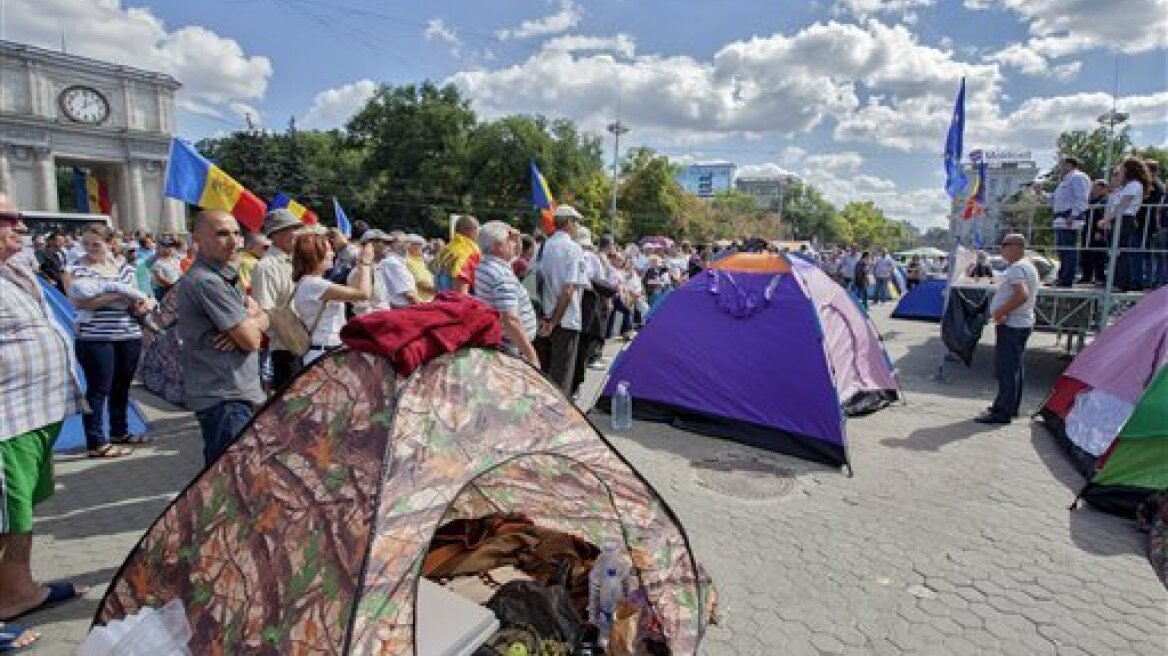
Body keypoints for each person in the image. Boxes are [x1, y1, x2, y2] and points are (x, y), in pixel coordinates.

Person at [0, 196, 87, 639]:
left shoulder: (14, 271)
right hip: (5, 421)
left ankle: (18, 592)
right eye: (6, 219)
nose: (19, 225)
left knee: (21, 515)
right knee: (3, 517)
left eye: (19, 217)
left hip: (33, 416)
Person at [176, 210, 270, 464]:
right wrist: (252, 322)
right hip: (225, 396)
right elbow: (252, 341)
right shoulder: (208, 282)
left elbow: (265, 317)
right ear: (197, 238)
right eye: (221, 234)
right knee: (229, 477)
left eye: (237, 233)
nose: (233, 241)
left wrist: (252, 320)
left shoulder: (225, 276)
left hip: (231, 393)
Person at [68, 226, 154, 457]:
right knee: (98, 389)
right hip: (95, 337)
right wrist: (119, 293)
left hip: (128, 334)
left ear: (109, 244)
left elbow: (137, 297)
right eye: (85, 244)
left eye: (96, 244)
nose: (90, 249)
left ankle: (120, 431)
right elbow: (80, 302)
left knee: (122, 386)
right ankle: (96, 442)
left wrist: (137, 302)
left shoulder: (125, 268)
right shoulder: (75, 269)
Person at [975, 234, 1039, 425]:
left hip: (1012, 324)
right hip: (1020, 323)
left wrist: (1001, 312)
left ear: (1017, 247)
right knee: (1015, 368)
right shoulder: (1027, 266)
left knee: (1007, 369)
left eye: (1005, 245)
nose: (1002, 249)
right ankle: (1010, 406)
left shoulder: (1018, 268)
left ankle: (1002, 412)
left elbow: (1022, 294)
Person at [292, 231, 374, 365]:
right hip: (324, 353)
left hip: (326, 351)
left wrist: (360, 266)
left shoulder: (309, 282)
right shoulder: (314, 284)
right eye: (328, 250)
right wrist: (365, 264)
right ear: (313, 254)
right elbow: (363, 294)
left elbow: (353, 291)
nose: (333, 254)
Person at [535, 206, 588, 395]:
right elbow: (568, 289)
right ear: (567, 223)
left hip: (544, 316)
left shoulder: (543, 246)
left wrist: (546, 318)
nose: (577, 226)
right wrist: (554, 321)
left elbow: (537, 284)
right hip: (565, 319)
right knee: (561, 379)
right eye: (576, 222)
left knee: (544, 375)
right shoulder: (573, 248)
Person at [474, 221, 539, 367]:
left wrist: (515, 238)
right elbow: (510, 320)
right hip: (512, 348)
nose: (514, 245)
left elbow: (515, 254)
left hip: (502, 342)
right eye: (509, 242)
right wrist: (532, 356)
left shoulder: (485, 265)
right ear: (498, 246)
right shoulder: (502, 275)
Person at [250, 209, 301, 390]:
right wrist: (295, 338)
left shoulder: (296, 261)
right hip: (287, 347)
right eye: (292, 228)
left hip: (305, 344)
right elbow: (266, 311)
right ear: (276, 234)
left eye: (297, 228)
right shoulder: (265, 267)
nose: (297, 233)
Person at [1100, 158, 1154, 292]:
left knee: (1119, 251)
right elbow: (1114, 196)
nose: (1120, 172)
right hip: (1119, 218)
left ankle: (1121, 283)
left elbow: (1123, 205)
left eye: (1122, 170)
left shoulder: (1135, 185)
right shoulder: (1125, 185)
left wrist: (1106, 219)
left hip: (1125, 219)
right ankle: (1116, 280)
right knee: (1115, 251)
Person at [1049, 156, 1091, 287]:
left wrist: (1074, 215)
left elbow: (1081, 198)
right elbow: (1055, 199)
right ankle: (1062, 277)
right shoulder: (1064, 181)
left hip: (1069, 217)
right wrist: (1041, 194)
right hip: (1061, 218)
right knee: (1062, 249)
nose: (1059, 168)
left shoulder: (1078, 177)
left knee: (1069, 249)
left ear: (1069, 165)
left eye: (1061, 164)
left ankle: (1067, 279)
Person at [434, 215, 481, 293]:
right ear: (468, 231)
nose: (478, 235)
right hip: (458, 301)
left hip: (441, 298)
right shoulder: (469, 250)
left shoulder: (446, 249)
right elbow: (461, 290)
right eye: (476, 231)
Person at [350, 230, 391, 316]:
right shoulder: (359, 272)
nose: (388, 246)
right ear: (371, 244)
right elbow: (361, 309)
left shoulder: (377, 268)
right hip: (372, 325)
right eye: (385, 242)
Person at [377, 231, 421, 309]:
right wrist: (423, 309)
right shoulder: (393, 263)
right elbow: (410, 295)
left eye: (408, 242)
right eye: (405, 242)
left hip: (403, 308)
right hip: (404, 309)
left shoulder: (396, 261)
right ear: (393, 244)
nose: (408, 245)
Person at [1079, 179, 1110, 285]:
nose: (1093, 190)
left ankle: (1099, 277)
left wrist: (1100, 232)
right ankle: (1086, 276)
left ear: (1103, 188)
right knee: (1086, 253)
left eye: (1096, 187)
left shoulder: (1105, 201)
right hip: (1087, 229)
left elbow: (1103, 217)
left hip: (1096, 231)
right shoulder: (1092, 200)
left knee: (1098, 255)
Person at [149, 236, 184, 300]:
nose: (169, 248)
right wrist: (173, 286)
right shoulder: (157, 263)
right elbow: (161, 279)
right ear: (160, 248)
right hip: (163, 291)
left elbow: (180, 272)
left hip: (175, 289)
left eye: (171, 246)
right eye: (166, 246)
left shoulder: (176, 260)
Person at [404, 234, 436, 302]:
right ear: (409, 246)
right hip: (423, 302)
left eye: (421, 244)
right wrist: (442, 292)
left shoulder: (420, 261)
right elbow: (421, 284)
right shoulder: (409, 262)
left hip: (429, 299)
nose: (422, 247)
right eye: (419, 244)